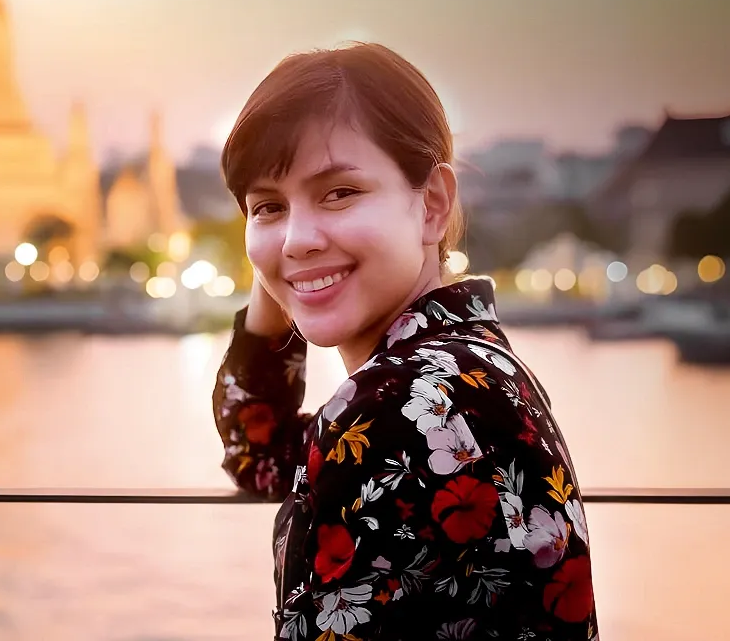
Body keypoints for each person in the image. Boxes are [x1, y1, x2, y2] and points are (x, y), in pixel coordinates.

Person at [213, 43, 598, 640]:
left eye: (339, 192)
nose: (297, 236)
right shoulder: (462, 372)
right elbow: (260, 455)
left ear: (433, 204)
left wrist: (290, 258)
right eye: (267, 206)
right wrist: (285, 270)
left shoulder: (401, 407)